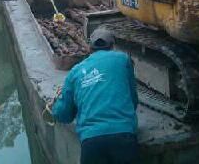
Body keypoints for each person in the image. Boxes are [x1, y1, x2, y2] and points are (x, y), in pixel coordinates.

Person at [51, 28, 139, 164]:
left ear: (89, 48)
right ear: (112, 46)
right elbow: (133, 100)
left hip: (91, 141)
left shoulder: (76, 71)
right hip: (124, 135)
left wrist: (54, 106)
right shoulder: (122, 60)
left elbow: (64, 115)